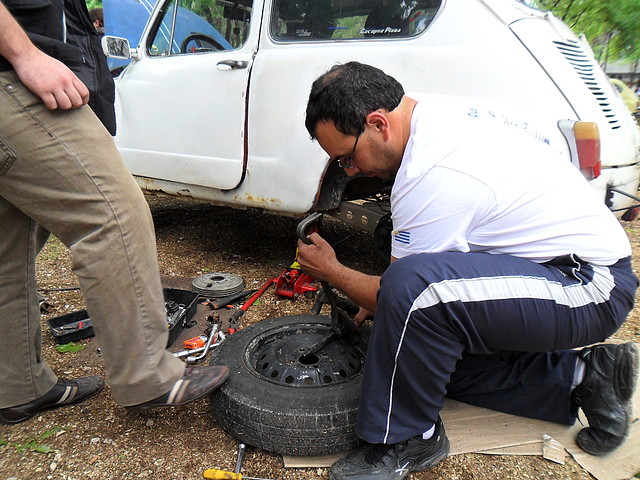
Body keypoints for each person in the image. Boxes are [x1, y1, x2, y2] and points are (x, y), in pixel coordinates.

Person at [298, 61, 639, 480]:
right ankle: (585, 376)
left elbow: (400, 293)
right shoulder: (431, 114)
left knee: (411, 290)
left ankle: (409, 438)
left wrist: (332, 270)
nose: (352, 171)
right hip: (551, 270)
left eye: (347, 158)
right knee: (421, 362)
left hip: (587, 286)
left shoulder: (430, 170)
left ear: (378, 123)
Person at [0, 0, 228, 425]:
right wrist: (24, 54)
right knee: (112, 217)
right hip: (11, 78)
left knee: (8, 247)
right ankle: (147, 377)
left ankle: (16, 386)